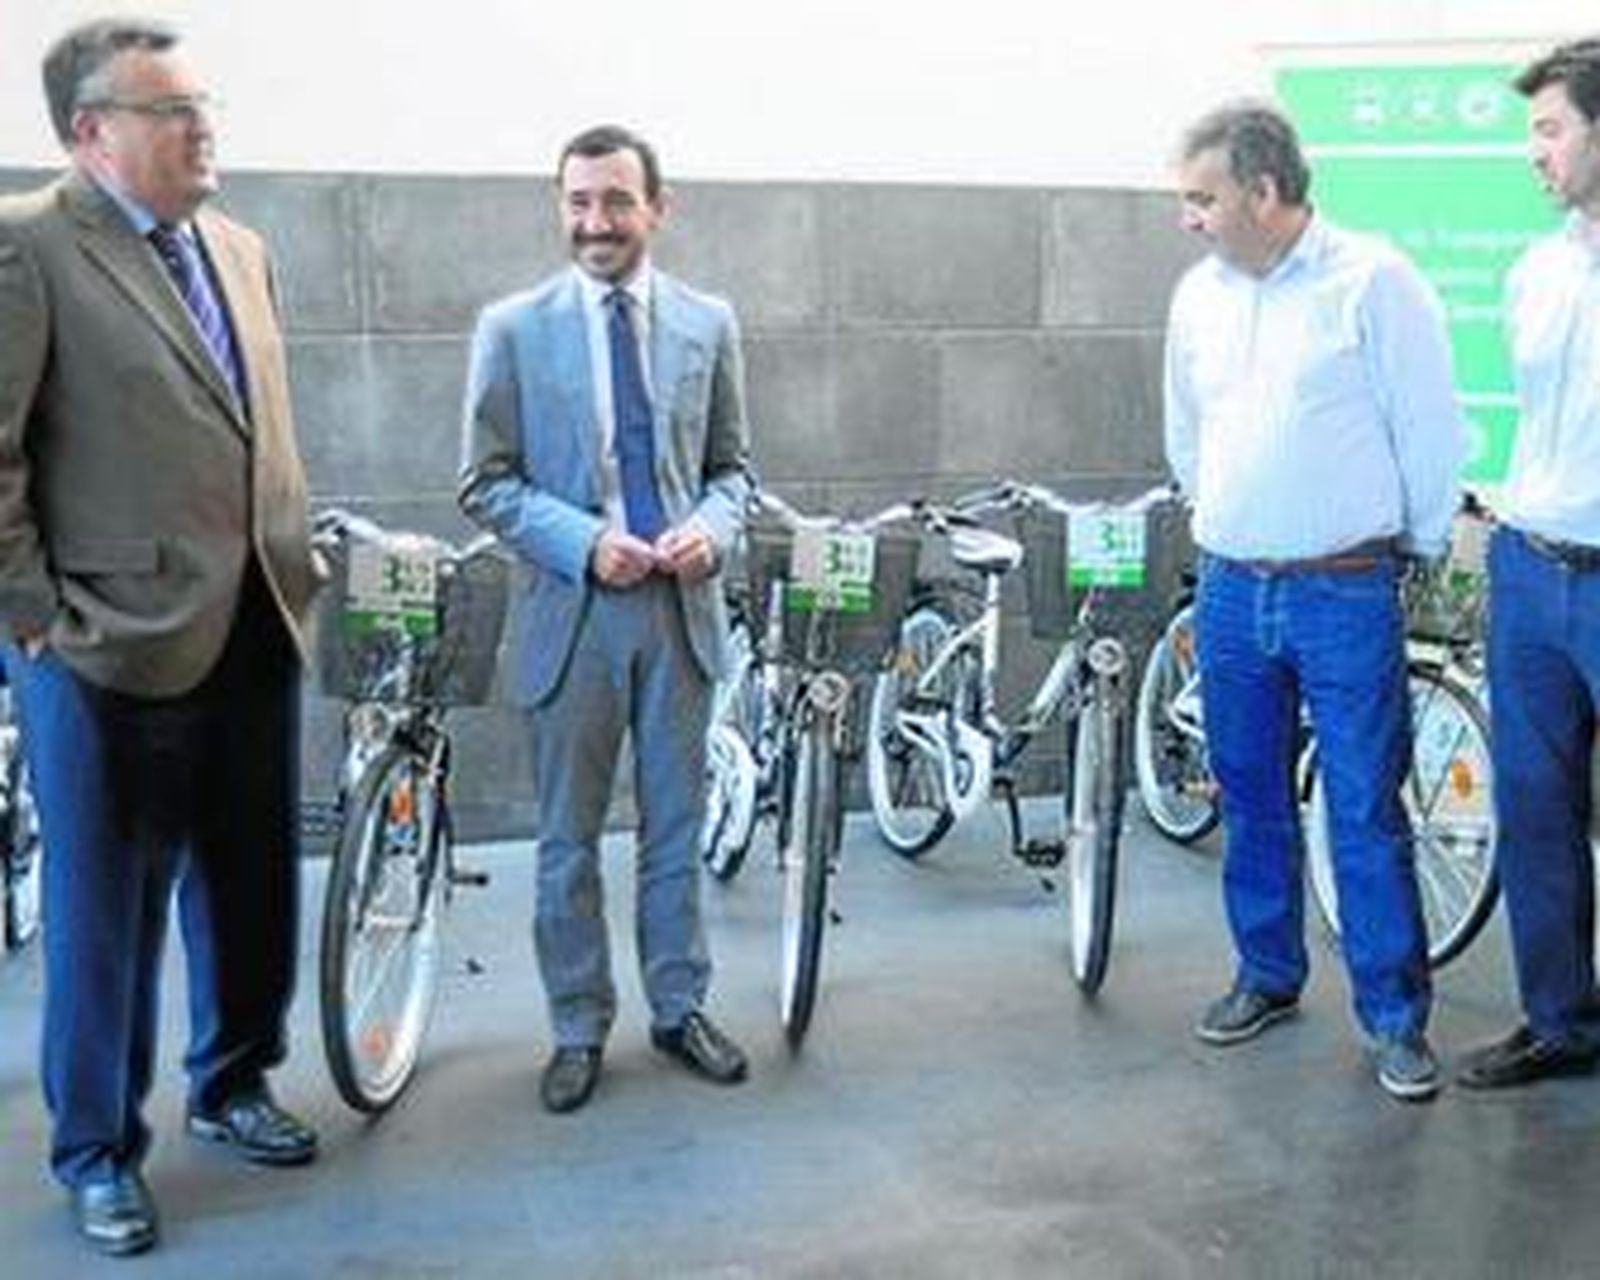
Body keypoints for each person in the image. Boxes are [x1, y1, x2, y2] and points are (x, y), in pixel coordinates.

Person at [0, 17, 321, 1255]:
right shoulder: (29, 247)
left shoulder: (237, 245)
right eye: (170, 109)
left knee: (252, 876)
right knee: (106, 908)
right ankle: (96, 1147)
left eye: (205, 102)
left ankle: (235, 1079)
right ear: (92, 134)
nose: (203, 127)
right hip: (103, 641)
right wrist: (39, 619)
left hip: (254, 614)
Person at [1162, 102, 1463, 1101]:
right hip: (1232, 586)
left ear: (1262, 189)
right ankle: (1267, 972)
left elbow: (1427, 430)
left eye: (1202, 198)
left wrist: (1409, 552)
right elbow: (1184, 433)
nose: (1188, 218)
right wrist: (1225, 520)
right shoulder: (1196, 297)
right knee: (1246, 792)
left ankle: (1393, 1015)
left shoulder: (1373, 283)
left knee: (1363, 806)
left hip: (1345, 588)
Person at [460, 124, 753, 1114]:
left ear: (655, 207)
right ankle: (576, 1024)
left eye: (616, 201)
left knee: (676, 829)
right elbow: (484, 482)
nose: (596, 221)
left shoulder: (709, 323)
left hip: (678, 614)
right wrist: (583, 539)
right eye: (578, 201)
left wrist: (712, 527)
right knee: (566, 840)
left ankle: (679, 1008)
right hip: (573, 615)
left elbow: (732, 470)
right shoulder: (511, 327)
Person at [1456, 39, 1600, 1090]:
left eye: (1549, 128)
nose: (1532, 152)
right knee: (1533, 804)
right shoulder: (1535, 269)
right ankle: (1559, 1017)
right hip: (1531, 569)